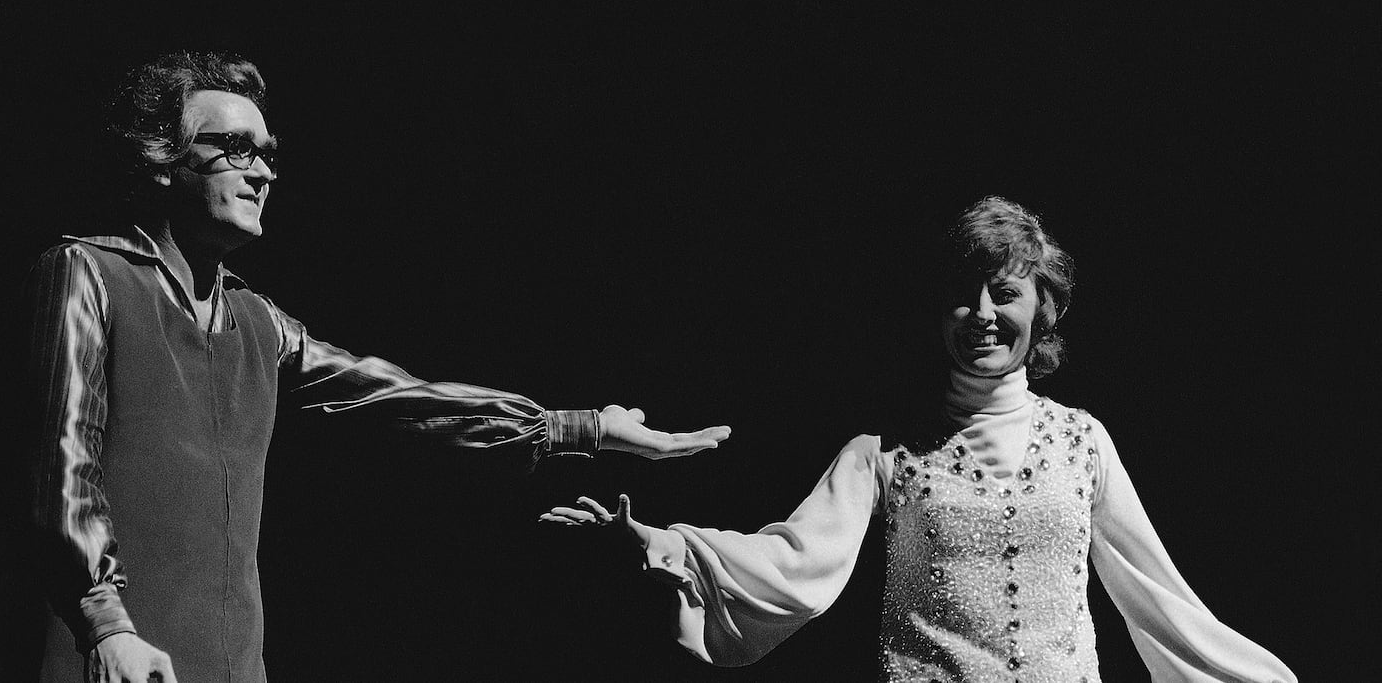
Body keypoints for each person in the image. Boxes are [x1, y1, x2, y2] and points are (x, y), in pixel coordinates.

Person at [27, 50, 732, 683]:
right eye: (236, 148)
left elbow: (403, 399)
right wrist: (107, 624)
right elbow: (67, 465)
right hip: (114, 656)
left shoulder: (259, 323)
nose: (264, 172)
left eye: (269, 153)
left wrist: (584, 429)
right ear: (161, 156)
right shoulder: (89, 273)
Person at [541, 196, 1296, 682]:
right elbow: (794, 560)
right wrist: (666, 543)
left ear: (1043, 309)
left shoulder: (1083, 442)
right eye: (961, 297)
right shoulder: (884, 451)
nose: (983, 314)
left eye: (1004, 293)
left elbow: (1155, 596)